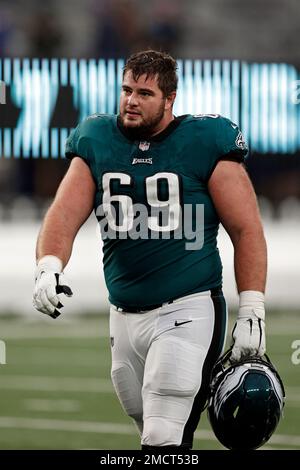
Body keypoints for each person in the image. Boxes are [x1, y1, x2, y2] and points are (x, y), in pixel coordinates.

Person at [33, 50, 267, 449]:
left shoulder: (205, 141)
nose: (131, 100)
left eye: (144, 93)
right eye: (126, 90)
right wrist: (49, 266)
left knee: (162, 436)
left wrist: (252, 309)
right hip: (122, 314)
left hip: (188, 307)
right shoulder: (96, 138)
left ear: (169, 99)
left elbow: (246, 230)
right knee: (156, 433)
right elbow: (63, 214)